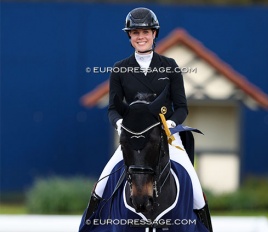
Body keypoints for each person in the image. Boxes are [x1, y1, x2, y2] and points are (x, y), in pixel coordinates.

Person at [85, 7, 213, 231]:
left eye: (145, 32)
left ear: (154, 34)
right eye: (135, 33)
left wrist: (170, 125)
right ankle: (88, 225)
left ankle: (205, 226)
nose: (140, 37)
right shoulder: (119, 69)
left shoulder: (170, 66)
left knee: (193, 182)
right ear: (130, 36)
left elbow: (182, 107)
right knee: (102, 182)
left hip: (165, 136)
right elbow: (113, 109)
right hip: (133, 138)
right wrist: (119, 124)